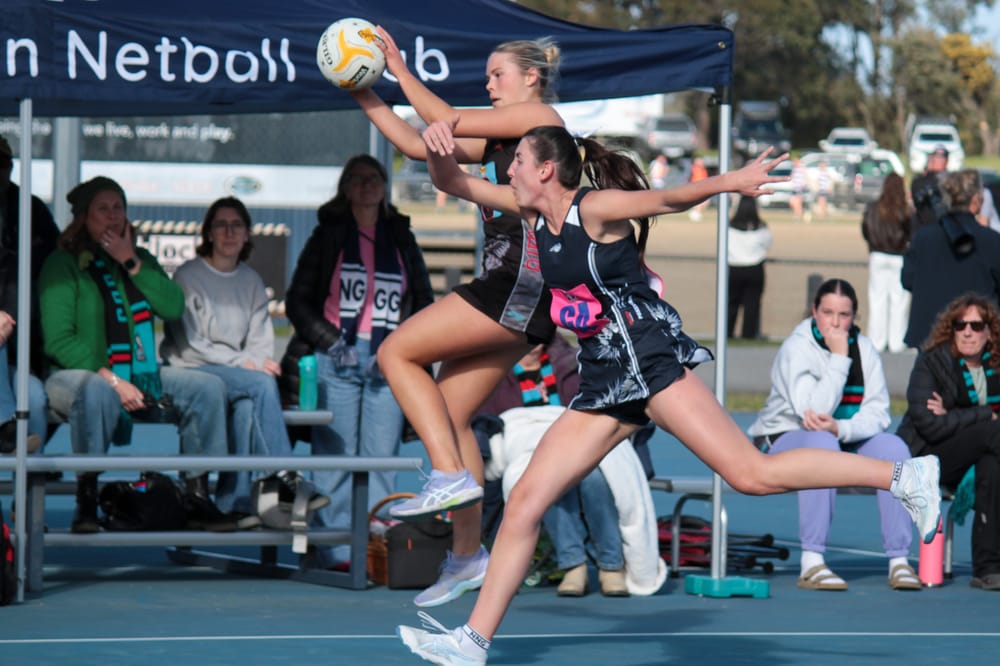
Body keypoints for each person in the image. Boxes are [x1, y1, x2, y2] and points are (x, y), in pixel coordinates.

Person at [396, 122, 943, 665]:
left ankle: (904, 476)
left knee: (752, 475)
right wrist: (439, 148)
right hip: (604, 382)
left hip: (649, 364)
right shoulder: (533, 213)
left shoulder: (596, 209)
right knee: (523, 505)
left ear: (544, 169)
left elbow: (669, 196)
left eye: (516, 161)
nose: (506, 168)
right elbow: (455, 184)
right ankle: (471, 643)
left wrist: (729, 181)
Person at [346, 28, 565, 604]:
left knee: (396, 351)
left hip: (523, 280)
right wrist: (361, 91)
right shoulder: (503, 143)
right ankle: (468, 555)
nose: (489, 85)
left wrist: (395, 67)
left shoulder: (540, 118)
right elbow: (422, 146)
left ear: (531, 77)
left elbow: (442, 115)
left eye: (497, 76)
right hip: (513, 285)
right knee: (448, 410)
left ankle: (445, 477)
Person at [39, 176, 234, 533]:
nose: (113, 217)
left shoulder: (139, 259)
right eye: (103, 209)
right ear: (84, 216)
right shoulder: (62, 264)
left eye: (119, 208)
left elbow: (173, 307)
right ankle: (86, 499)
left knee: (207, 388)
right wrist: (113, 380)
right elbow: (59, 341)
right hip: (76, 376)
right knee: (95, 391)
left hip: (140, 373)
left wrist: (130, 261)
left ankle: (197, 496)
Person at [281, 155, 433, 570]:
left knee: (381, 459)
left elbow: (423, 300)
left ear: (385, 187)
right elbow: (298, 300)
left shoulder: (401, 235)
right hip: (337, 358)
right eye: (358, 180)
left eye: (374, 179)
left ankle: (375, 548)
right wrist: (332, 343)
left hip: (389, 360)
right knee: (336, 459)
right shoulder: (328, 234)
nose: (367, 186)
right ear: (346, 187)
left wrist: (399, 348)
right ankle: (335, 550)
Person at [748, 279, 920, 591]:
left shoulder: (865, 348)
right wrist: (839, 359)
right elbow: (812, 412)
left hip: (842, 438)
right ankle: (812, 562)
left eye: (844, 315)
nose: (836, 323)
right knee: (822, 445)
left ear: (855, 316)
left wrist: (842, 428)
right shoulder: (796, 348)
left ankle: (899, 560)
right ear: (815, 312)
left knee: (895, 449)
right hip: (788, 440)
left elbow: (878, 413)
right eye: (828, 313)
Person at [160, 197, 319, 525]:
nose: (229, 232)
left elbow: (261, 342)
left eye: (237, 225)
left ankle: (234, 501)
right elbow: (191, 344)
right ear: (209, 233)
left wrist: (253, 361)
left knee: (249, 406)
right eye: (221, 225)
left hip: (236, 374)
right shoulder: (189, 277)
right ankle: (285, 476)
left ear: (247, 234)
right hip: (193, 369)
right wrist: (245, 363)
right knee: (260, 384)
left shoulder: (251, 281)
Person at [476, 334, 660, 598]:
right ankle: (574, 565)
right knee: (543, 480)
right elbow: (486, 420)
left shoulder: (573, 363)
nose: (534, 342)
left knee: (594, 476)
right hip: (525, 444)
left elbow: (595, 406)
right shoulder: (493, 371)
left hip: (573, 438)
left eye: (538, 336)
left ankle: (611, 566)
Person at [897, 294, 1000, 590]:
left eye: (976, 325)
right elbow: (929, 424)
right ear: (951, 328)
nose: (968, 332)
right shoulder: (933, 362)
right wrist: (984, 414)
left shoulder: (996, 367)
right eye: (960, 324)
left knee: (992, 465)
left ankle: (988, 567)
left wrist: (958, 414)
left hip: (980, 453)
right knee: (994, 433)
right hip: (931, 455)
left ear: (989, 331)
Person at [0, 135, 59, 454]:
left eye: (1, 164)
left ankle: (24, 501)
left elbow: (52, 261)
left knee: (34, 400)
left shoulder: (29, 210)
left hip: (19, 352)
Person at [902, 169, 1000, 349]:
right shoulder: (991, 241)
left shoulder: (923, 238)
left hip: (930, 334)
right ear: (976, 200)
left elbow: (908, 279)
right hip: (976, 338)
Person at [861, 173, 913, 353]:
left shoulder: (873, 207)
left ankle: (876, 341)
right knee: (899, 300)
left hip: (878, 255)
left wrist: (872, 244)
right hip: (899, 256)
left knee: (877, 299)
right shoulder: (905, 209)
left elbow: (865, 228)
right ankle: (897, 341)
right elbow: (910, 232)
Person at [727, 196, 771, 340]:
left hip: (734, 268)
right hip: (754, 267)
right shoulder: (761, 227)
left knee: (731, 303)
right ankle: (749, 334)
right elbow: (767, 244)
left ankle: (727, 333)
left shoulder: (729, 227)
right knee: (752, 305)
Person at [910, 145, 949, 229]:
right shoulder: (920, 181)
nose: (937, 160)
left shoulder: (950, 179)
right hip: (924, 226)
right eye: (935, 157)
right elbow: (917, 199)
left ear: (946, 160)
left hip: (945, 226)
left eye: (941, 157)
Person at [687, 156, 709, 220]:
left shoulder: (703, 169)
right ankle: (696, 214)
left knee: (705, 201)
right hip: (695, 187)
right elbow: (689, 178)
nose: (701, 162)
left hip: (702, 187)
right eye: (699, 161)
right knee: (699, 201)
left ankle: (696, 213)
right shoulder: (692, 169)